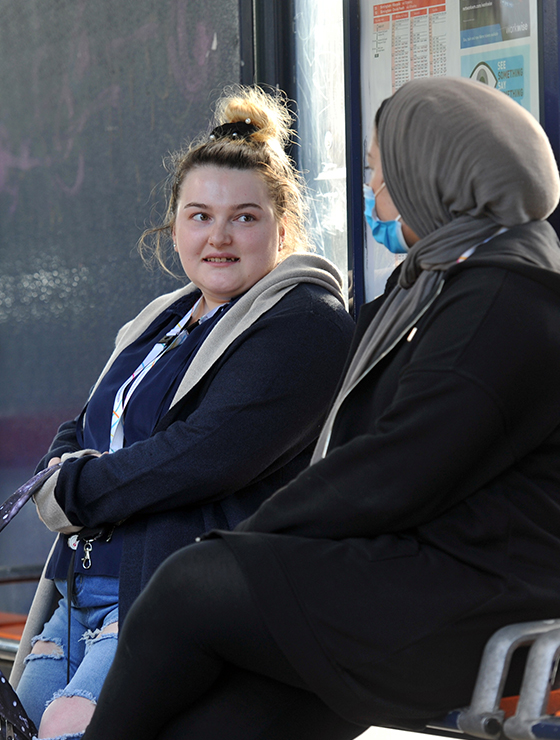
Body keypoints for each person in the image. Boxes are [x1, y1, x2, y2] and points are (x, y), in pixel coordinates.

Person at [78, 75, 560, 740]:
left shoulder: (506, 300)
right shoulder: (431, 287)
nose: (374, 193)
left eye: (380, 174)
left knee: (191, 583)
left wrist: (254, 542)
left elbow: (398, 469)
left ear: (434, 176)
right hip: (405, 579)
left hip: (467, 595)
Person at [11, 85, 355, 740]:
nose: (219, 236)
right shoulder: (161, 320)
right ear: (173, 225)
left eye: (244, 218)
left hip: (162, 600)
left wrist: (72, 488)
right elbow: (88, 423)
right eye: (200, 215)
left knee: (68, 730)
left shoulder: (305, 323)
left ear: (282, 228)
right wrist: (63, 464)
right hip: (81, 596)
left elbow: (203, 455)